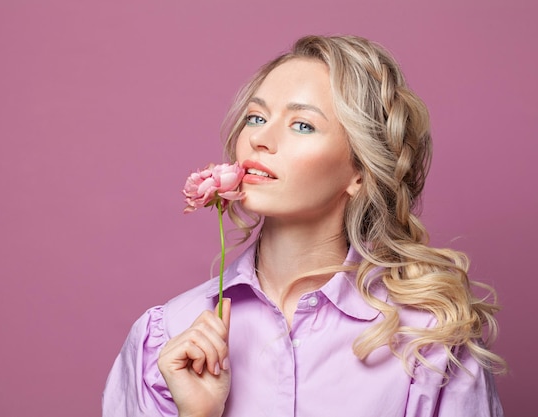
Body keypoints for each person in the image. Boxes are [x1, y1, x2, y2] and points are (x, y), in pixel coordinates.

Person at [102, 35, 506, 417]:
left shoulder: (429, 341)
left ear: (361, 172)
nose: (260, 138)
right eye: (256, 117)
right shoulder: (166, 333)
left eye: (302, 125)